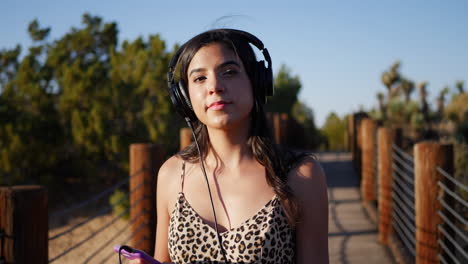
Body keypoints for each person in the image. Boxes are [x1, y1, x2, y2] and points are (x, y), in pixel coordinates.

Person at [131, 29, 328, 264]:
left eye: (229, 72)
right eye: (199, 78)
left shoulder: (300, 175)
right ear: (184, 97)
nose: (215, 86)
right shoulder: (172, 174)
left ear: (257, 82)